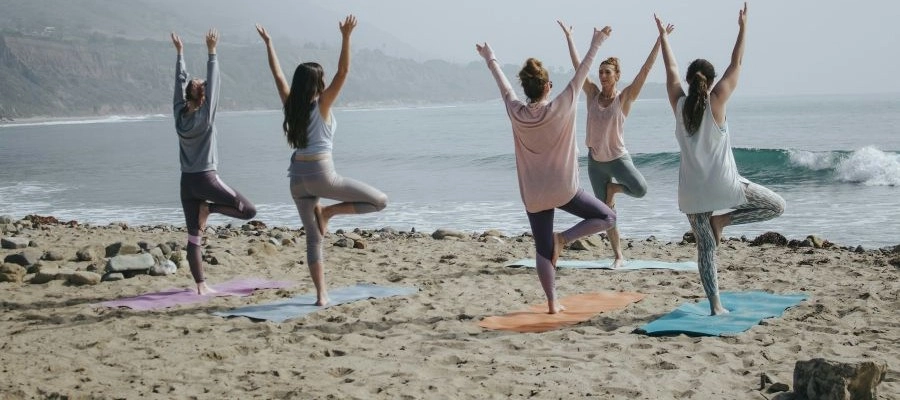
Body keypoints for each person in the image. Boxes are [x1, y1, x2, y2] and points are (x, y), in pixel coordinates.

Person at [476, 25, 617, 314]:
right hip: (564, 189)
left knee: (542, 250)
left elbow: (503, 85)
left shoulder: (515, 111)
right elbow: (582, 73)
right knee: (607, 217)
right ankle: (563, 239)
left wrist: (490, 58)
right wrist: (597, 42)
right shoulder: (561, 106)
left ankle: (552, 304)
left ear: (526, 89)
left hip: (534, 194)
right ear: (547, 86)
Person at [656, 3, 785, 315]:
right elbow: (737, 62)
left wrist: (664, 38)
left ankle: (715, 306)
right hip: (725, 187)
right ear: (711, 81)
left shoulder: (678, 104)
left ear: (689, 81)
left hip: (692, 193)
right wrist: (743, 28)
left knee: (706, 250)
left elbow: (670, 71)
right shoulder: (718, 101)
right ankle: (724, 219)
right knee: (777, 206)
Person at [256, 16, 387, 306]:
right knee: (379, 201)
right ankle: (328, 213)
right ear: (318, 82)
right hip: (321, 174)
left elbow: (278, 76)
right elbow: (344, 71)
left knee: (313, 240)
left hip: (296, 181)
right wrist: (346, 36)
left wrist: (269, 44)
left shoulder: (292, 106)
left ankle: (321, 296)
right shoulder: (322, 104)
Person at [558, 20, 674, 269]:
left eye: (607, 72)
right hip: (595, 163)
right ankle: (619, 255)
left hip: (618, 159)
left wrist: (659, 40)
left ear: (617, 76)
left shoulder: (625, 98)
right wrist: (569, 37)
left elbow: (645, 70)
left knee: (641, 189)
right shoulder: (590, 94)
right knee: (607, 216)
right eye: (600, 72)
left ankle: (614, 190)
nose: (602, 75)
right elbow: (580, 67)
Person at [171, 29, 257, 295]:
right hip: (207, 179)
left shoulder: (178, 114)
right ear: (202, 97)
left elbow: (179, 82)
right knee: (248, 211)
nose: (202, 84)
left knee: (194, 237)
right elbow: (215, 81)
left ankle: (201, 286)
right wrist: (212, 52)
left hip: (187, 183)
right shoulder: (206, 116)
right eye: (201, 85)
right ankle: (211, 210)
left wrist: (180, 54)